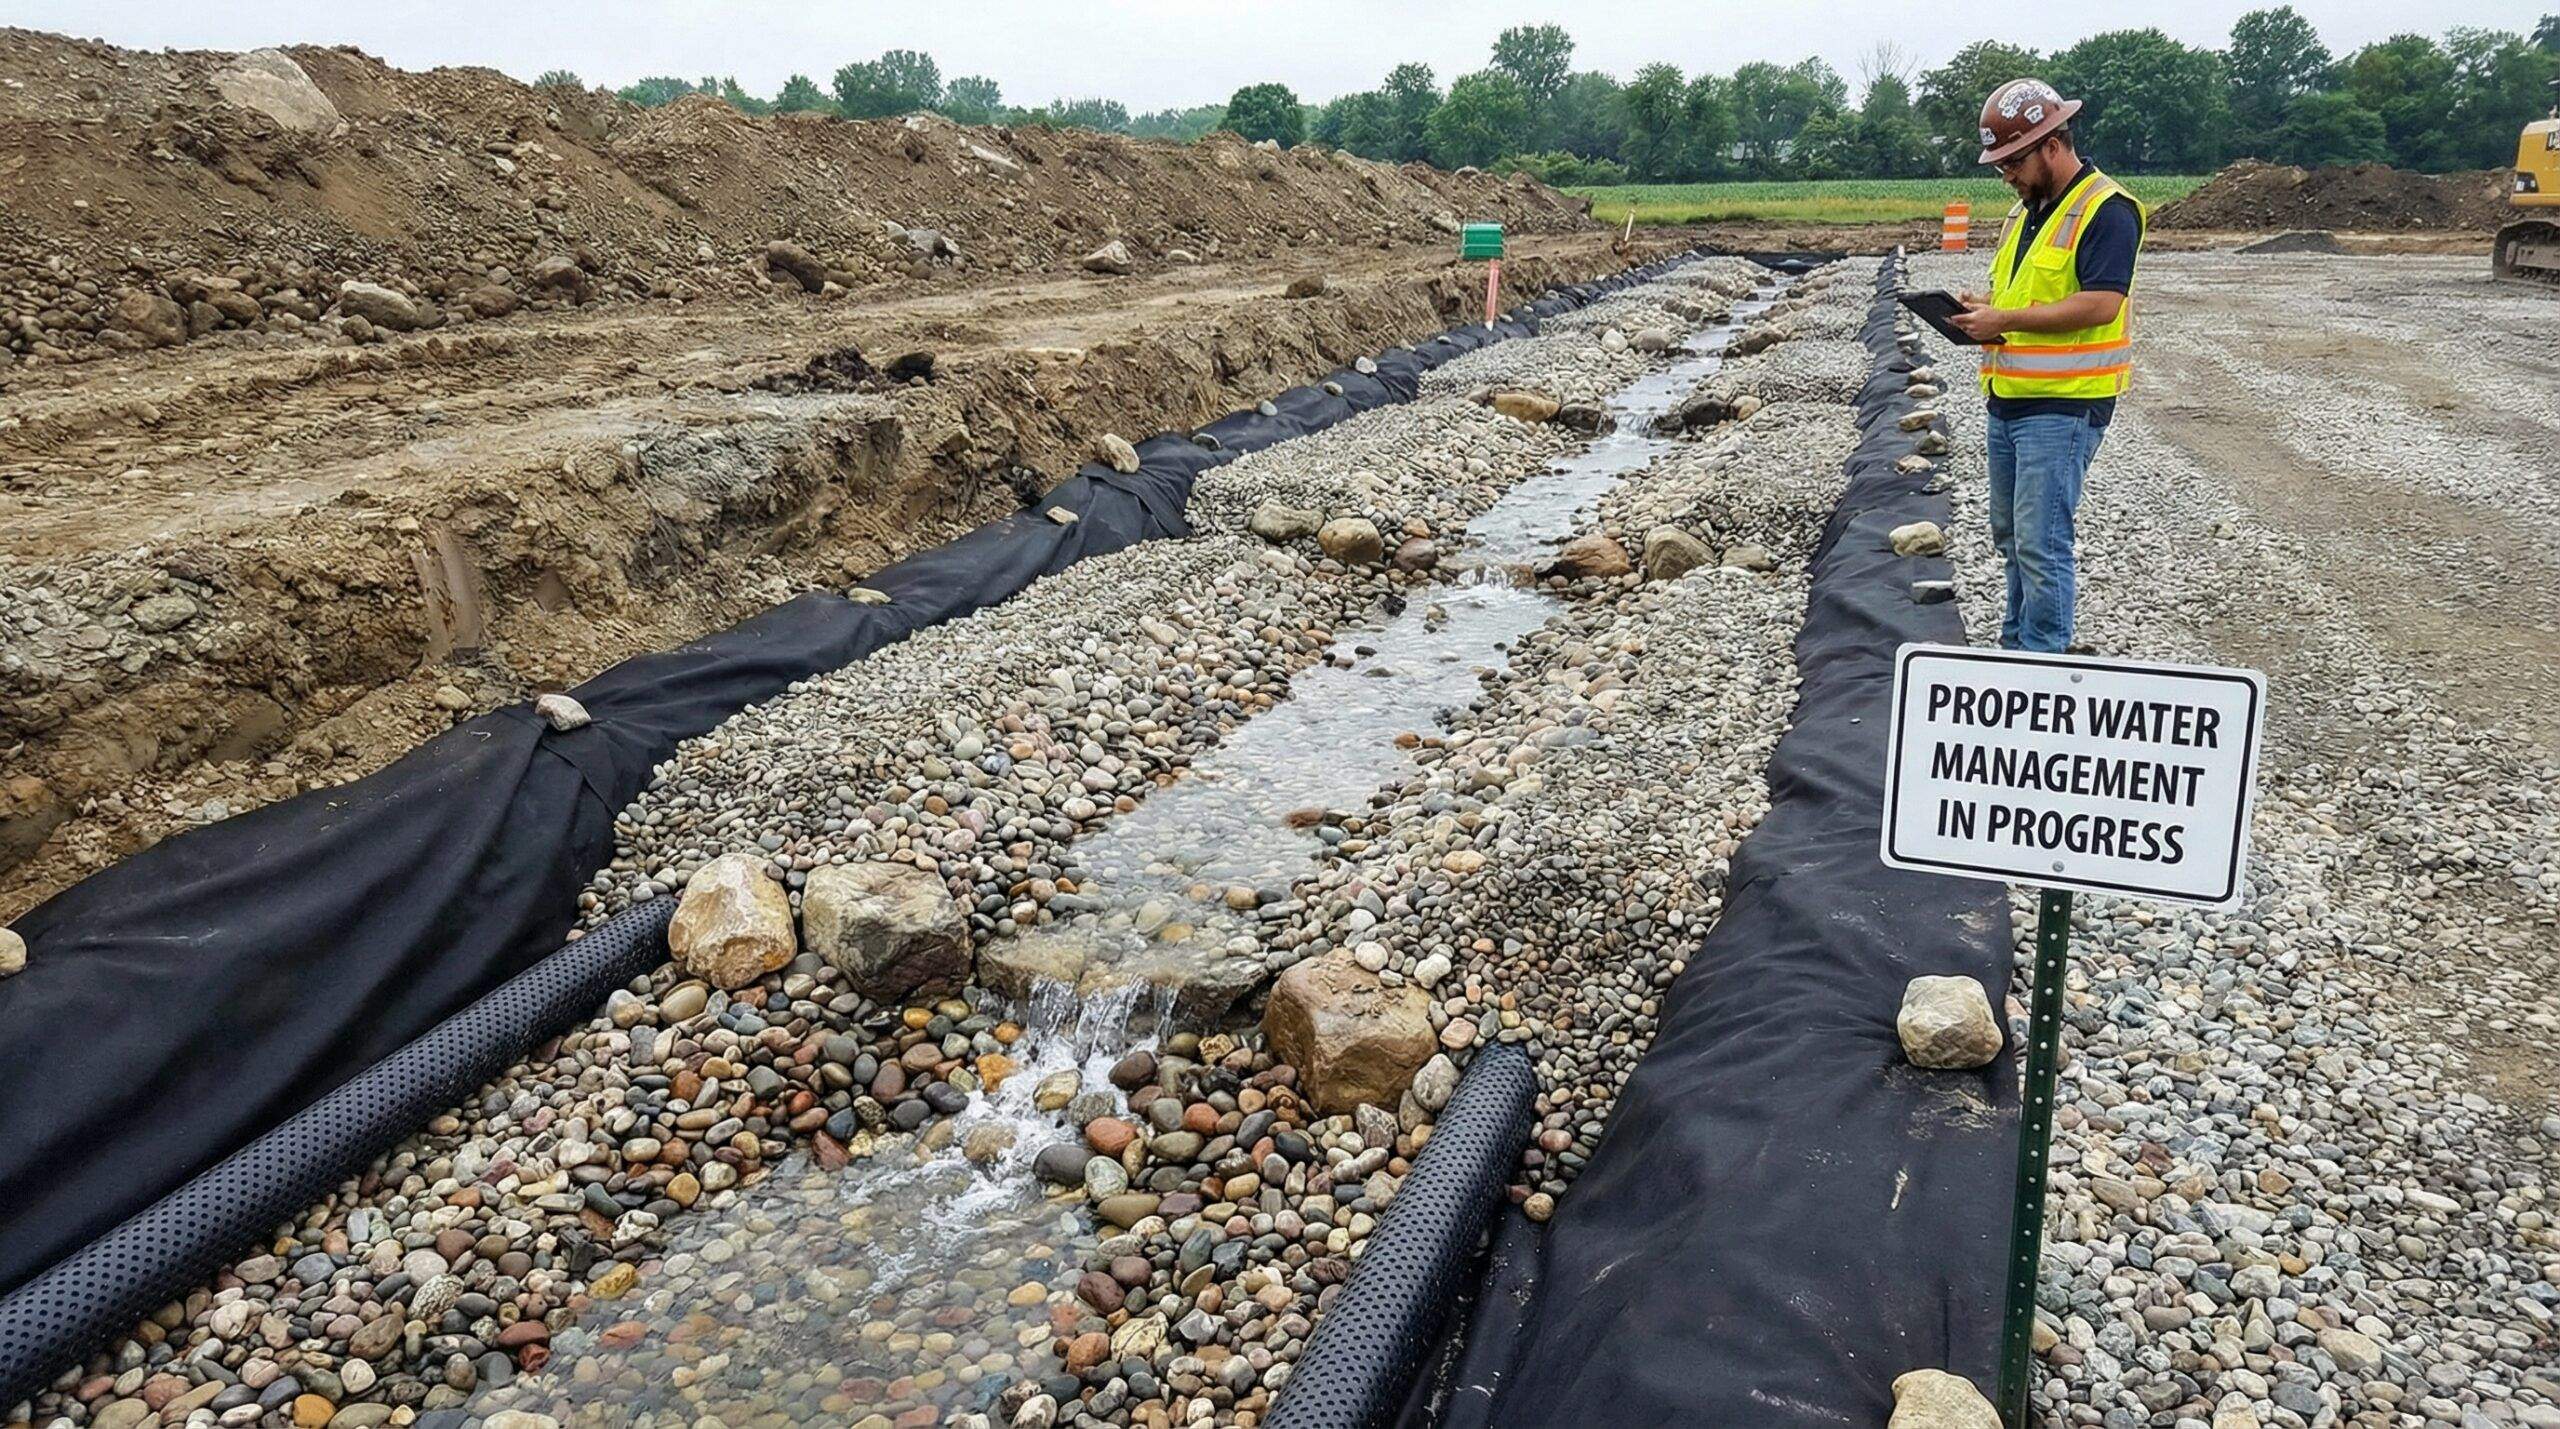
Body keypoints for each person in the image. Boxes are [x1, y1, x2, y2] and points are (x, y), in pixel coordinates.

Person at [1947, 79, 2146, 654]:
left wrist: (2006, 318)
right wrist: (1985, 311)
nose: (2005, 174)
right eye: (1999, 165)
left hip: (2063, 405)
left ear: (2052, 145)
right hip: (2009, 399)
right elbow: (2026, 296)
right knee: (2011, 537)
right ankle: (2017, 648)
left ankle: (2043, 661)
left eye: (2012, 161)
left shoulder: (2106, 210)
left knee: (2041, 541)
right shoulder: (2025, 211)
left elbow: (2102, 302)